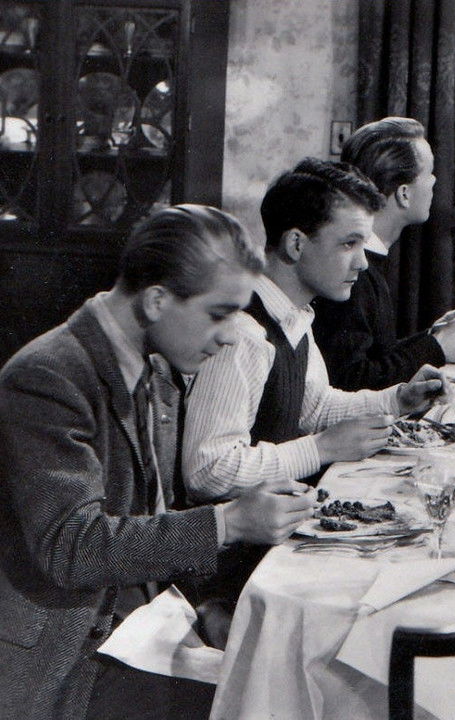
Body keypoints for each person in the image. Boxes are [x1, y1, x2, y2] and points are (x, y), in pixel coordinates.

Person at [0, 205, 316, 720]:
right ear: (156, 300)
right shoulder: (49, 377)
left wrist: (204, 606)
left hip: (138, 629)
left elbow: (154, 520)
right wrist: (229, 522)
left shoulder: (156, 370)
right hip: (60, 659)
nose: (233, 335)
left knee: (293, 673)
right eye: (220, 314)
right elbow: (73, 549)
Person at [183, 157, 448, 501]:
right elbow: (208, 472)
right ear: (296, 244)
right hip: (243, 546)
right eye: (348, 244)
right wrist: (319, 450)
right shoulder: (243, 333)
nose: (363, 262)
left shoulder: (293, 315)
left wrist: (398, 399)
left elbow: (315, 407)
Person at [313, 117, 455, 390]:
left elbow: (374, 354)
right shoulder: (351, 272)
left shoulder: (370, 257)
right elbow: (349, 382)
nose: (434, 182)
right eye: (429, 173)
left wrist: (430, 338)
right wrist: (438, 348)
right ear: (404, 194)